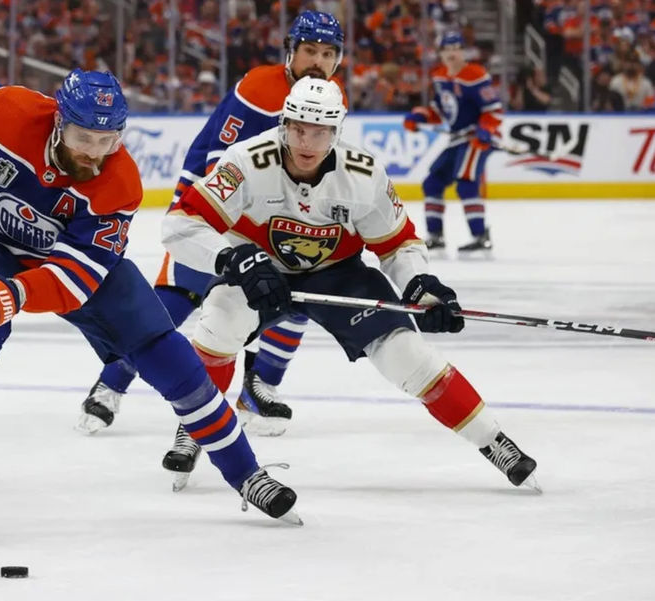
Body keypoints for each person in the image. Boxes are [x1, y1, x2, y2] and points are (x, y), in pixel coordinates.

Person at [0, 68, 301, 538]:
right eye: (83, 137)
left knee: (170, 357)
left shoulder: (119, 183)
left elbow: (74, 280)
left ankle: (247, 474)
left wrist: (10, 295)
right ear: (58, 122)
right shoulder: (5, 110)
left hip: (70, 266)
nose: (94, 151)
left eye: (107, 140)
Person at [161, 76, 539, 491]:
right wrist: (231, 258)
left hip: (338, 273)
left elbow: (398, 245)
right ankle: (192, 430)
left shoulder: (363, 173)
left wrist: (420, 284)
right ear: (284, 124)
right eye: (298, 129)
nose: (307, 142)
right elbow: (180, 225)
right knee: (220, 323)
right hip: (259, 268)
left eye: (320, 132)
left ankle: (494, 441)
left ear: (337, 131)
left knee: (406, 354)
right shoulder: (245, 162)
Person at [78, 11, 347, 450]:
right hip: (213, 211)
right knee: (172, 306)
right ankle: (110, 385)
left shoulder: (331, 96)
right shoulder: (260, 89)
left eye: (328, 53)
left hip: (270, 222)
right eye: (310, 51)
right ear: (291, 51)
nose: (319, 61)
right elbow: (217, 162)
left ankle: (259, 388)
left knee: (296, 298)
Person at [404, 31, 503, 255]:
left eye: (456, 48)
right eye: (447, 49)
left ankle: (480, 237)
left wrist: (486, 130)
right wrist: (420, 116)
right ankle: (436, 236)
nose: (452, 53)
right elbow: (440, 111)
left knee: (466, 183)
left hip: (475, 138)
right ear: (440, 53)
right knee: (433, 183)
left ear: (463, 52)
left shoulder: (475, 75)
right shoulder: (440, 77)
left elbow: (494, 110)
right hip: (457, 138)